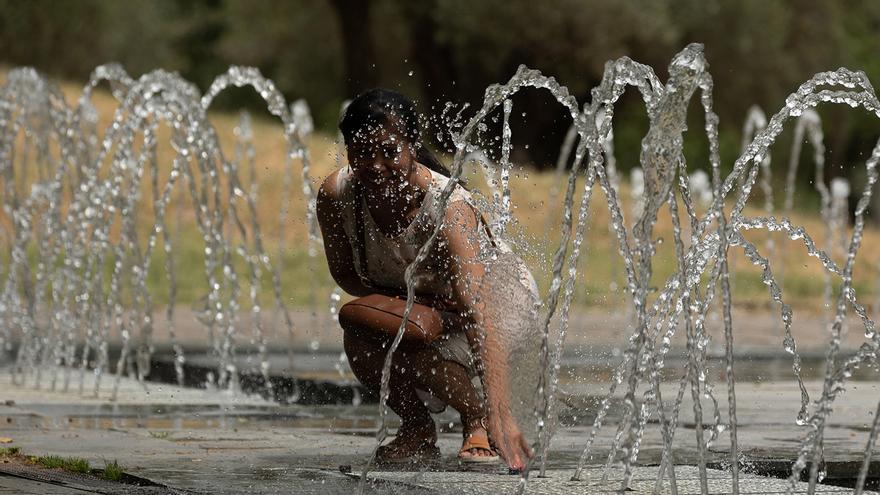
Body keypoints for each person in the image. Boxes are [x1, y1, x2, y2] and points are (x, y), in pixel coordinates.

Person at [316, 88, 539, 470]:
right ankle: (417, 428)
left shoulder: (448, 206)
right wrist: (419, 306)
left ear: (411, 145)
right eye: (362, 152)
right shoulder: (337, 195)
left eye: (389, 151)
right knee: (361, 328)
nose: (375, 165)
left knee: (415, 338)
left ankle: (480, 419)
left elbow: (477, 309)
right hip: (426, 300)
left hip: (498, 300)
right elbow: (351, 280)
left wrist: (504, 415)